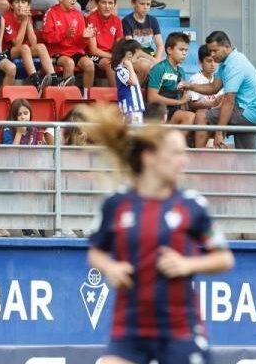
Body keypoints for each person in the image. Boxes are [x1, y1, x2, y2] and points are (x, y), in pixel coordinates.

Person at [85, 105, 234, 364]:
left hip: (180, 331)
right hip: (130, 330)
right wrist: (110, 268)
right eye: (176, 153)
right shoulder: (116, 205)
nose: (184, 160)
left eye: (184, 153)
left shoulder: (192, 206)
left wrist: (187, 264)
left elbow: (224, 259)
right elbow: (96, 253)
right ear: (149, 157)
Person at [182, 31, 256, 149]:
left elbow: (229, 101)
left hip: (245, 112)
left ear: (226, 47)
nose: (212, 54)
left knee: (202, 115)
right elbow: (213, 87)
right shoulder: (226, 63)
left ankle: (197, 157)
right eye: (210, 51)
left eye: (215, 50)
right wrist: (190, 86)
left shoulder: (235, 65)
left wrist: (219, 132)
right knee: (246, 159)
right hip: (253, 115)